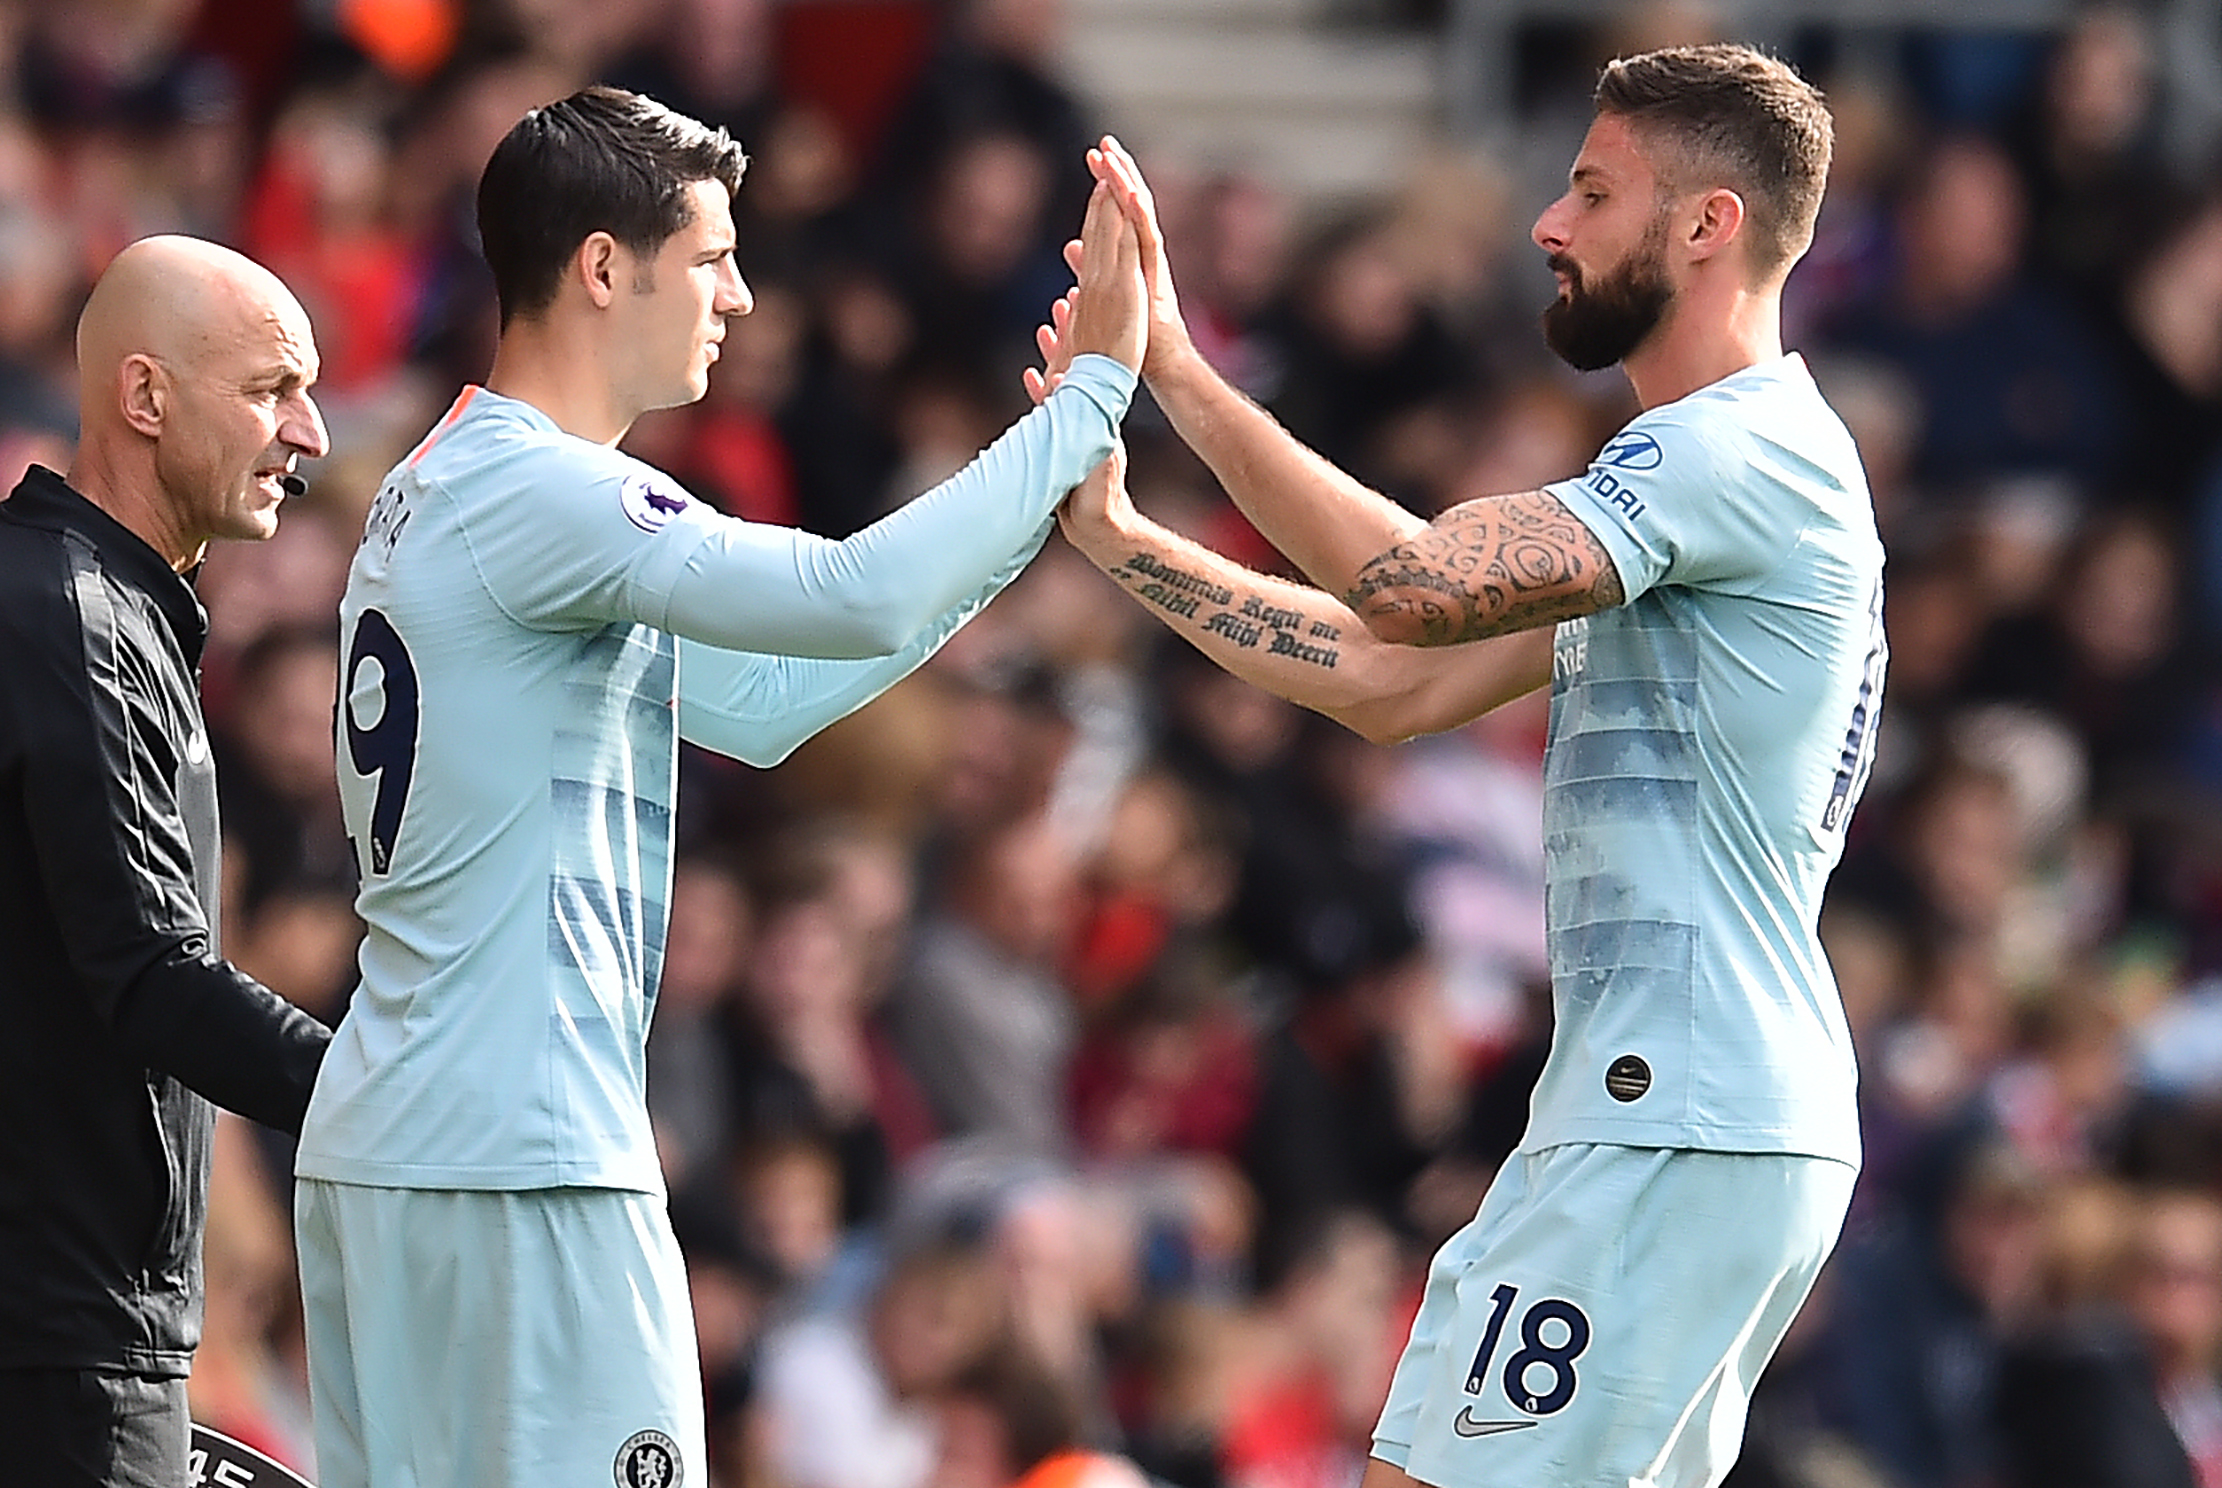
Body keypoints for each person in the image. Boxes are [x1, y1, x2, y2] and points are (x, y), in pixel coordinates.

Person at [1040, 42, 1885, 1488]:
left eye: (1591, 189)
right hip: (1679, 1108)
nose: (1547, 226)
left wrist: (1170, 365)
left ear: (1705, 227)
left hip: (1673, 1110)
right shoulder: (1709, 478)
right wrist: (1123, 540)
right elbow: (1394, 677)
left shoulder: (1729, 458)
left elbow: (1415, 585)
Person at [290, 84, 1145, 1488]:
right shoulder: (543, 494)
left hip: (403, 1141)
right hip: (525, 1148)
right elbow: (851, 596)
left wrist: (1031, 505)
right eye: (710, 258)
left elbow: (771, 702)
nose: (741, 298)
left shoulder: (456, 488)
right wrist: (1091, 400)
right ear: (603, 267)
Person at [0, 235, 333, 1488]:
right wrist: (404, 1099)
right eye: (268, 389)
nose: (307, 431)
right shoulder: (69, 616)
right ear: (145, 399)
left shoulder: (93, 605)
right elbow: (150, 975)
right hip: (57, 1336)